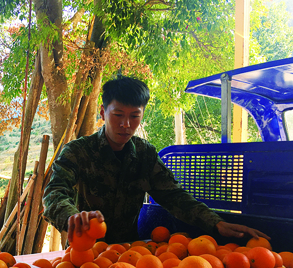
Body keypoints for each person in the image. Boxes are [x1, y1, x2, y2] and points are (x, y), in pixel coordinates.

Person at [43, 76, 269, 245]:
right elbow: (54, 193)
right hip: (85, 255)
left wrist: (216, 222)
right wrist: (71, 216)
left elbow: (174, 196)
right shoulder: (78, 152)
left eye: (134, 116)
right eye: (118, 115)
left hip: (131, 253)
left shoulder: (145, 155)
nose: (126, 125)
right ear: (103, 112)